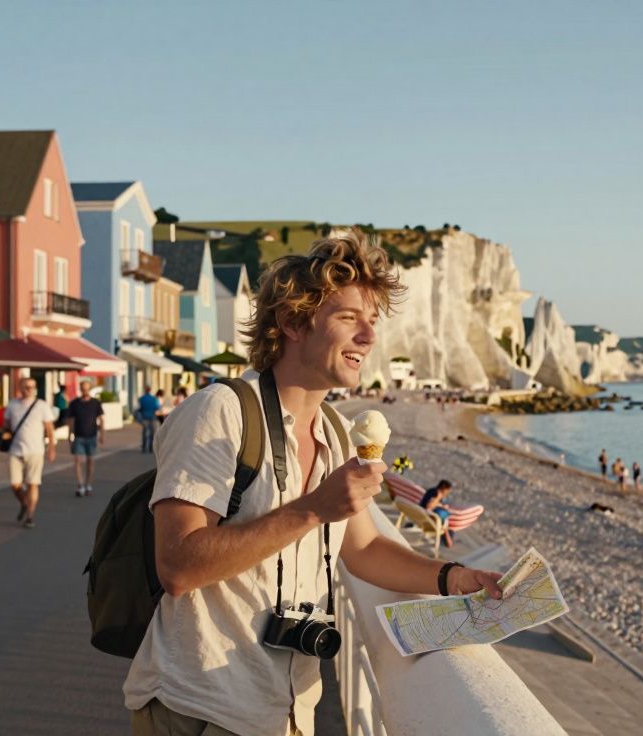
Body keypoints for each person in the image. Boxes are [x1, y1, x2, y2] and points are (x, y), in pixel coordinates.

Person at [125, 230, 504, 736]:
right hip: (200, 706)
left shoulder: (335, 432)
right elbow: (177, 564)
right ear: (292, 322)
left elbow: (364, 548)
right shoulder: (219, 411)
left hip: (286, 711)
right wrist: (312, 509)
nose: (368, 337)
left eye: (372, 322)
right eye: (349, 318)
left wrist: (454, 579)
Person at [4, 378, 55, 529]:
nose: (29, 389)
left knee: (33, 483)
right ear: (20, 388)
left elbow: (49, 429)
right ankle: (24, 503)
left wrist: (51, 448)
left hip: (35, 450)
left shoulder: (42, 406)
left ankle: (30, 515)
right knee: (15, 484)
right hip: (16, 449)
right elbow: (6, 424)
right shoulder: (13, 405)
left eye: (32, 387)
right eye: (26, 387)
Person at [67, 379, 105, 497]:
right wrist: (70, 435)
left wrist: (102, 434)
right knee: (77, 461)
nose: (85, 391)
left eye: (87, 389)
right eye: (83, 389)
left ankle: (88, 484)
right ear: (80, 389)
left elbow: (101, 420)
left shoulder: (95, 403)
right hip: (78, 436)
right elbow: (71, 421)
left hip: (92, 436)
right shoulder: (74, 403)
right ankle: (80, 485)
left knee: (90, 462)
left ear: (90, 389)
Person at [419, 479, 456, 548]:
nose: (447, 493)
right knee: (447, 525)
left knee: (448, 526)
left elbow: (430, 505)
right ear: (444, 488)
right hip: (429, 519)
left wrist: (441, 505)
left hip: (424, 515)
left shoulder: (431, 491)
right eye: (447, 491)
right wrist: (439, 498)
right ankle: (446, 538)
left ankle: (446, 536)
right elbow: (429, 507)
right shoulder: (436, 493)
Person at [136, 385, 160, 453]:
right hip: (152, 417)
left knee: (145, 432)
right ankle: (150, 448)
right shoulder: (154, 399)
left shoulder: (141, 398)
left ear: (145, 390)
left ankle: (144, 447)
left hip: (144, 417)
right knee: (152, 433)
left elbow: (139, 408)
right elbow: (157, 407)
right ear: (150, 390)